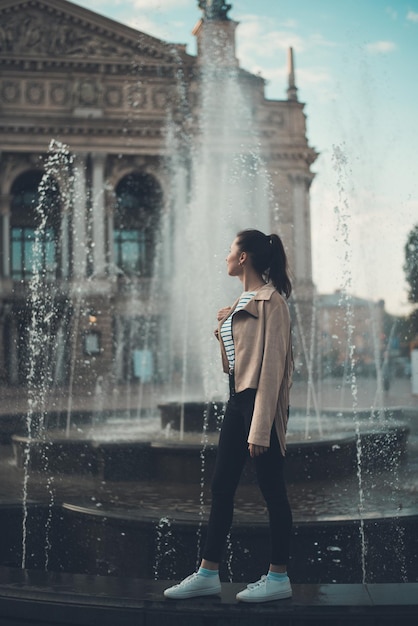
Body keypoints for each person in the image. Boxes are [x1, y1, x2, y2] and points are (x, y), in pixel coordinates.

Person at [164, 229, 294, 603]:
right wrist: (224, 329)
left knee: (273, 492)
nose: (225, 256)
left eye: (230, 250)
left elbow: (271, 371)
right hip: (236, 401)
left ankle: (278, 577)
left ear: (244, 258)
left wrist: (261, 428)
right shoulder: (243, 300)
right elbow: (232, 367)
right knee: (221, 487)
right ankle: (207, 573)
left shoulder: (273, 303)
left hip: (259, 406)